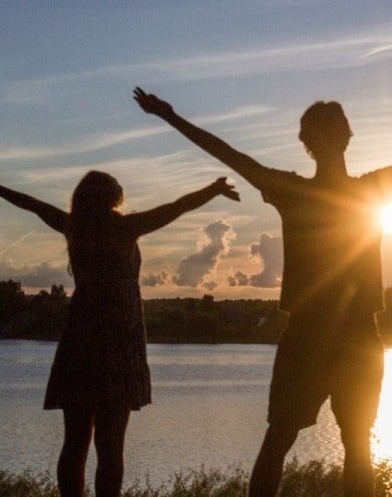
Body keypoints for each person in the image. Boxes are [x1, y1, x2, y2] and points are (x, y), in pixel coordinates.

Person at [132, 66, 392, 497]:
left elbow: (229, 154)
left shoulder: (296, 190)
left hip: (313, 337)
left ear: (306, 144)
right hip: (351, 337)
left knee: (284, 441)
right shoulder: (368, 190)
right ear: (348, 138)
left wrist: (170, 116)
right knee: (352, 447)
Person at [0, 172, 238, 497]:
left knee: (75, 442)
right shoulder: (125, 228)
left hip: (79, 340)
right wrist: (213, 189)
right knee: (111, 445)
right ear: (115, 197)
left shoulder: (73, 226)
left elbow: (30, 203)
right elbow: (177, 207)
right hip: (118, 342)